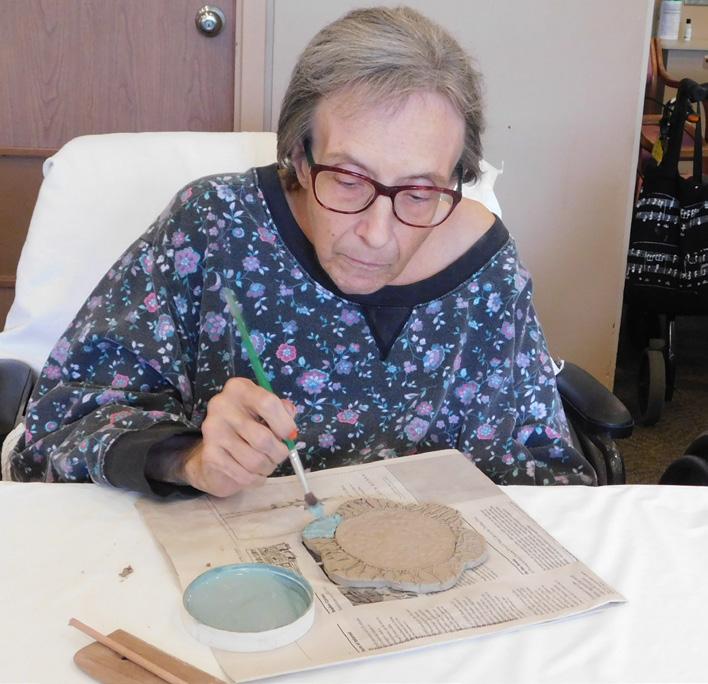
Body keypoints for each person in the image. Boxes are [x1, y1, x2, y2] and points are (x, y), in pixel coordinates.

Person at [10, 6, 596, 494]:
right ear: (297, 154)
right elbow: (60, 422)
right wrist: (184, 458)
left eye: (420, 192)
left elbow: (543, 469)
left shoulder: (487, 269)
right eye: (348, 179)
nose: (377, 233)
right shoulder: (214, 227)